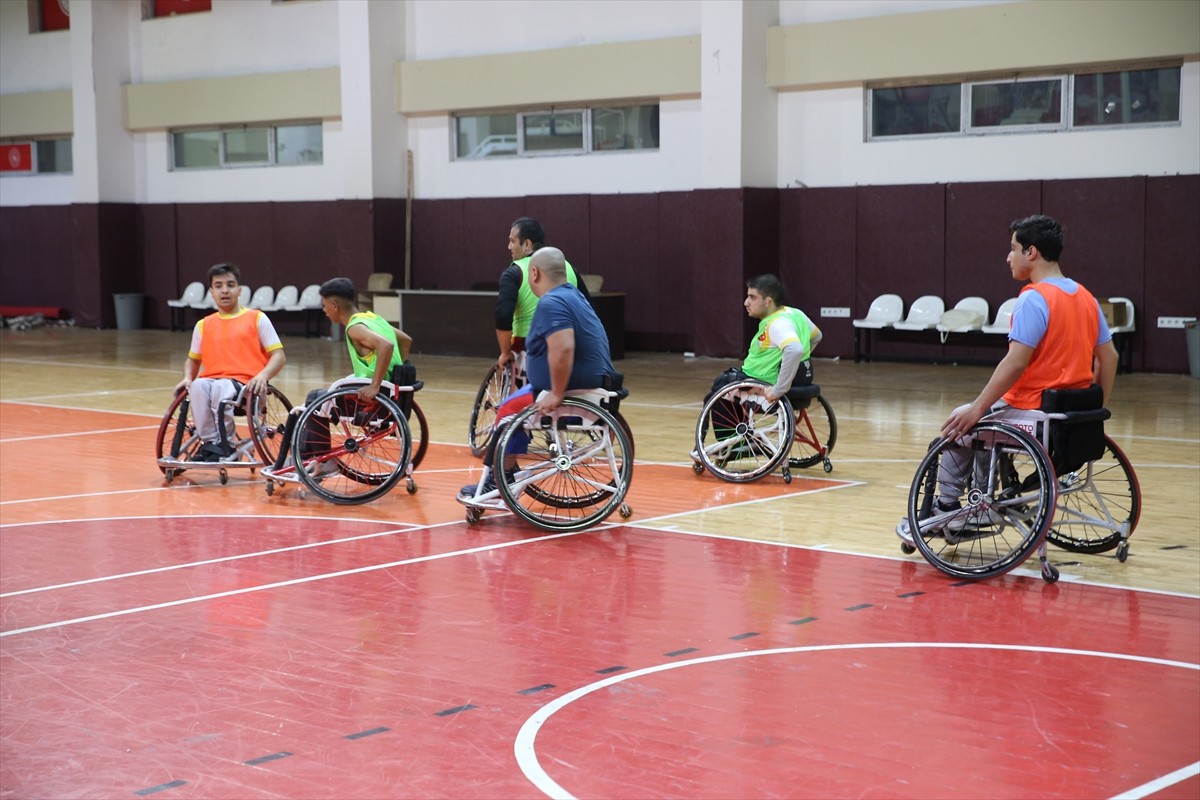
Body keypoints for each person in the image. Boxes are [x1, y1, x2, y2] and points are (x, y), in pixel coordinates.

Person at [898, 214, 1118, 539]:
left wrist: (975, 408)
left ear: (1031, 252)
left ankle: (947, 510)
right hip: (1070, 416)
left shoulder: (1034, 298)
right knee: (983, 420)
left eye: (1013, 248)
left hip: (1034, 411)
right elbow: (1109, 357)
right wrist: (1092, 411)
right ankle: (979, 501)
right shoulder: (1086, 297)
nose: (1008, 257)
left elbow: (1015, 363)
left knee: (960, 423)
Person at [462, 246, 615, 498]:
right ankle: (506, 473)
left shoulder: (552, 302)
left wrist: (556, 392)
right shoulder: (575, 296)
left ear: (534, 273)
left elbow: (563, 348)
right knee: (516, 401)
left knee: (507, 410)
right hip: (592, 382)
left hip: (575, 388)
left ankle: (499, 480)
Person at [692, 274, 822, 461]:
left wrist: (779, 388)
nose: (746, 302)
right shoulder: (796, 314)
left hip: (763, 387)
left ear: (768, 301)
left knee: (720, 389)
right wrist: (796, 364)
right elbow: (817, 336)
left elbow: (794, 350)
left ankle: (734, 447)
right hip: (799, 383)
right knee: (727, 384)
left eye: (752, 297)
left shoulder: (777, 324)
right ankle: (736, 442)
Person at [176, 262, 286, 462]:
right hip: (213, 383)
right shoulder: (203, 325)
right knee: (198, 386)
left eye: (230, 285)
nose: (225, 290)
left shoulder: (257, 318)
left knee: (221, 387)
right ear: (211, 292)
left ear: (239, 290)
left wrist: (263, 376)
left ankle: (224, 444)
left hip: (248, 387)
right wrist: (187, 378)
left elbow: (279, 356)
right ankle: (211, 444)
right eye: (218, 286)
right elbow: (192, 360)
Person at [494, 216, 591, 372]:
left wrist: (505, 353)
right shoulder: (567, 267)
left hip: (528, 346)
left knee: (530, 388)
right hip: (570, 346)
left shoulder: (514, 272)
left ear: (527, 244)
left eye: (512, 241)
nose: (509, 246)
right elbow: (588, 309)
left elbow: (503, 315)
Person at [316, 277, 412, 402]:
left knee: (314, 397)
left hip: (376, 391)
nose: (324, 310)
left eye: (324, 305)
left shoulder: (354, 328)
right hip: (389, 387)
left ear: (334, 306)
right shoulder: (373, 318)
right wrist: (396, 373)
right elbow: (406, 340)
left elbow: (386, 345)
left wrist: (375, 386)